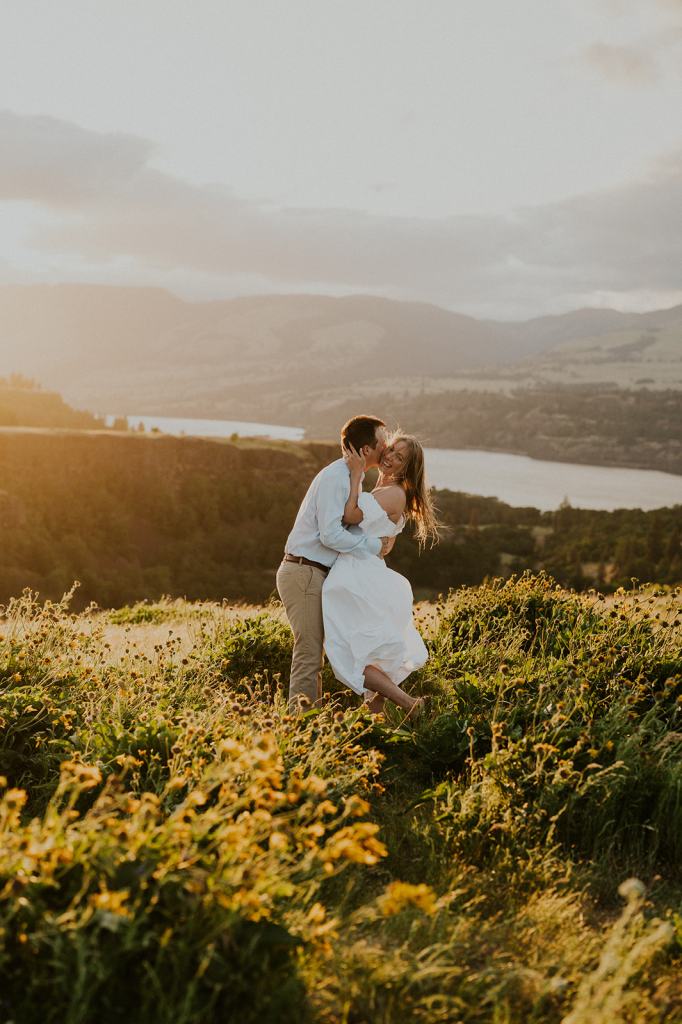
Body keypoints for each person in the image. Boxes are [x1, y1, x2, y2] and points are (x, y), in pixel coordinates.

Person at [276, 415, 390, 712]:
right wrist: (373, 546)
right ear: (367, 449)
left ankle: (310, 719)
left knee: (325, 652)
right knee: (309, 652)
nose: (387, 449)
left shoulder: (352, 478)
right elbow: (329, 534)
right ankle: (298, 725)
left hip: (318, 573)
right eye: (383, 443)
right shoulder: (335, 476)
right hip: (305, 571)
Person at [322, 434, 440, 717]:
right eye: (391, 450)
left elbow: (349, 516)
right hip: (364, 570)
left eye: (400, 458)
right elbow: (384, 542)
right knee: (368, 651)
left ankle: (411, 705)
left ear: (407, 468)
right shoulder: (386, 487)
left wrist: (354, 474)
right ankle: (377, 724)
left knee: (351, 653)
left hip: (356, 575)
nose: (390, 457)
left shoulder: (394, 492)